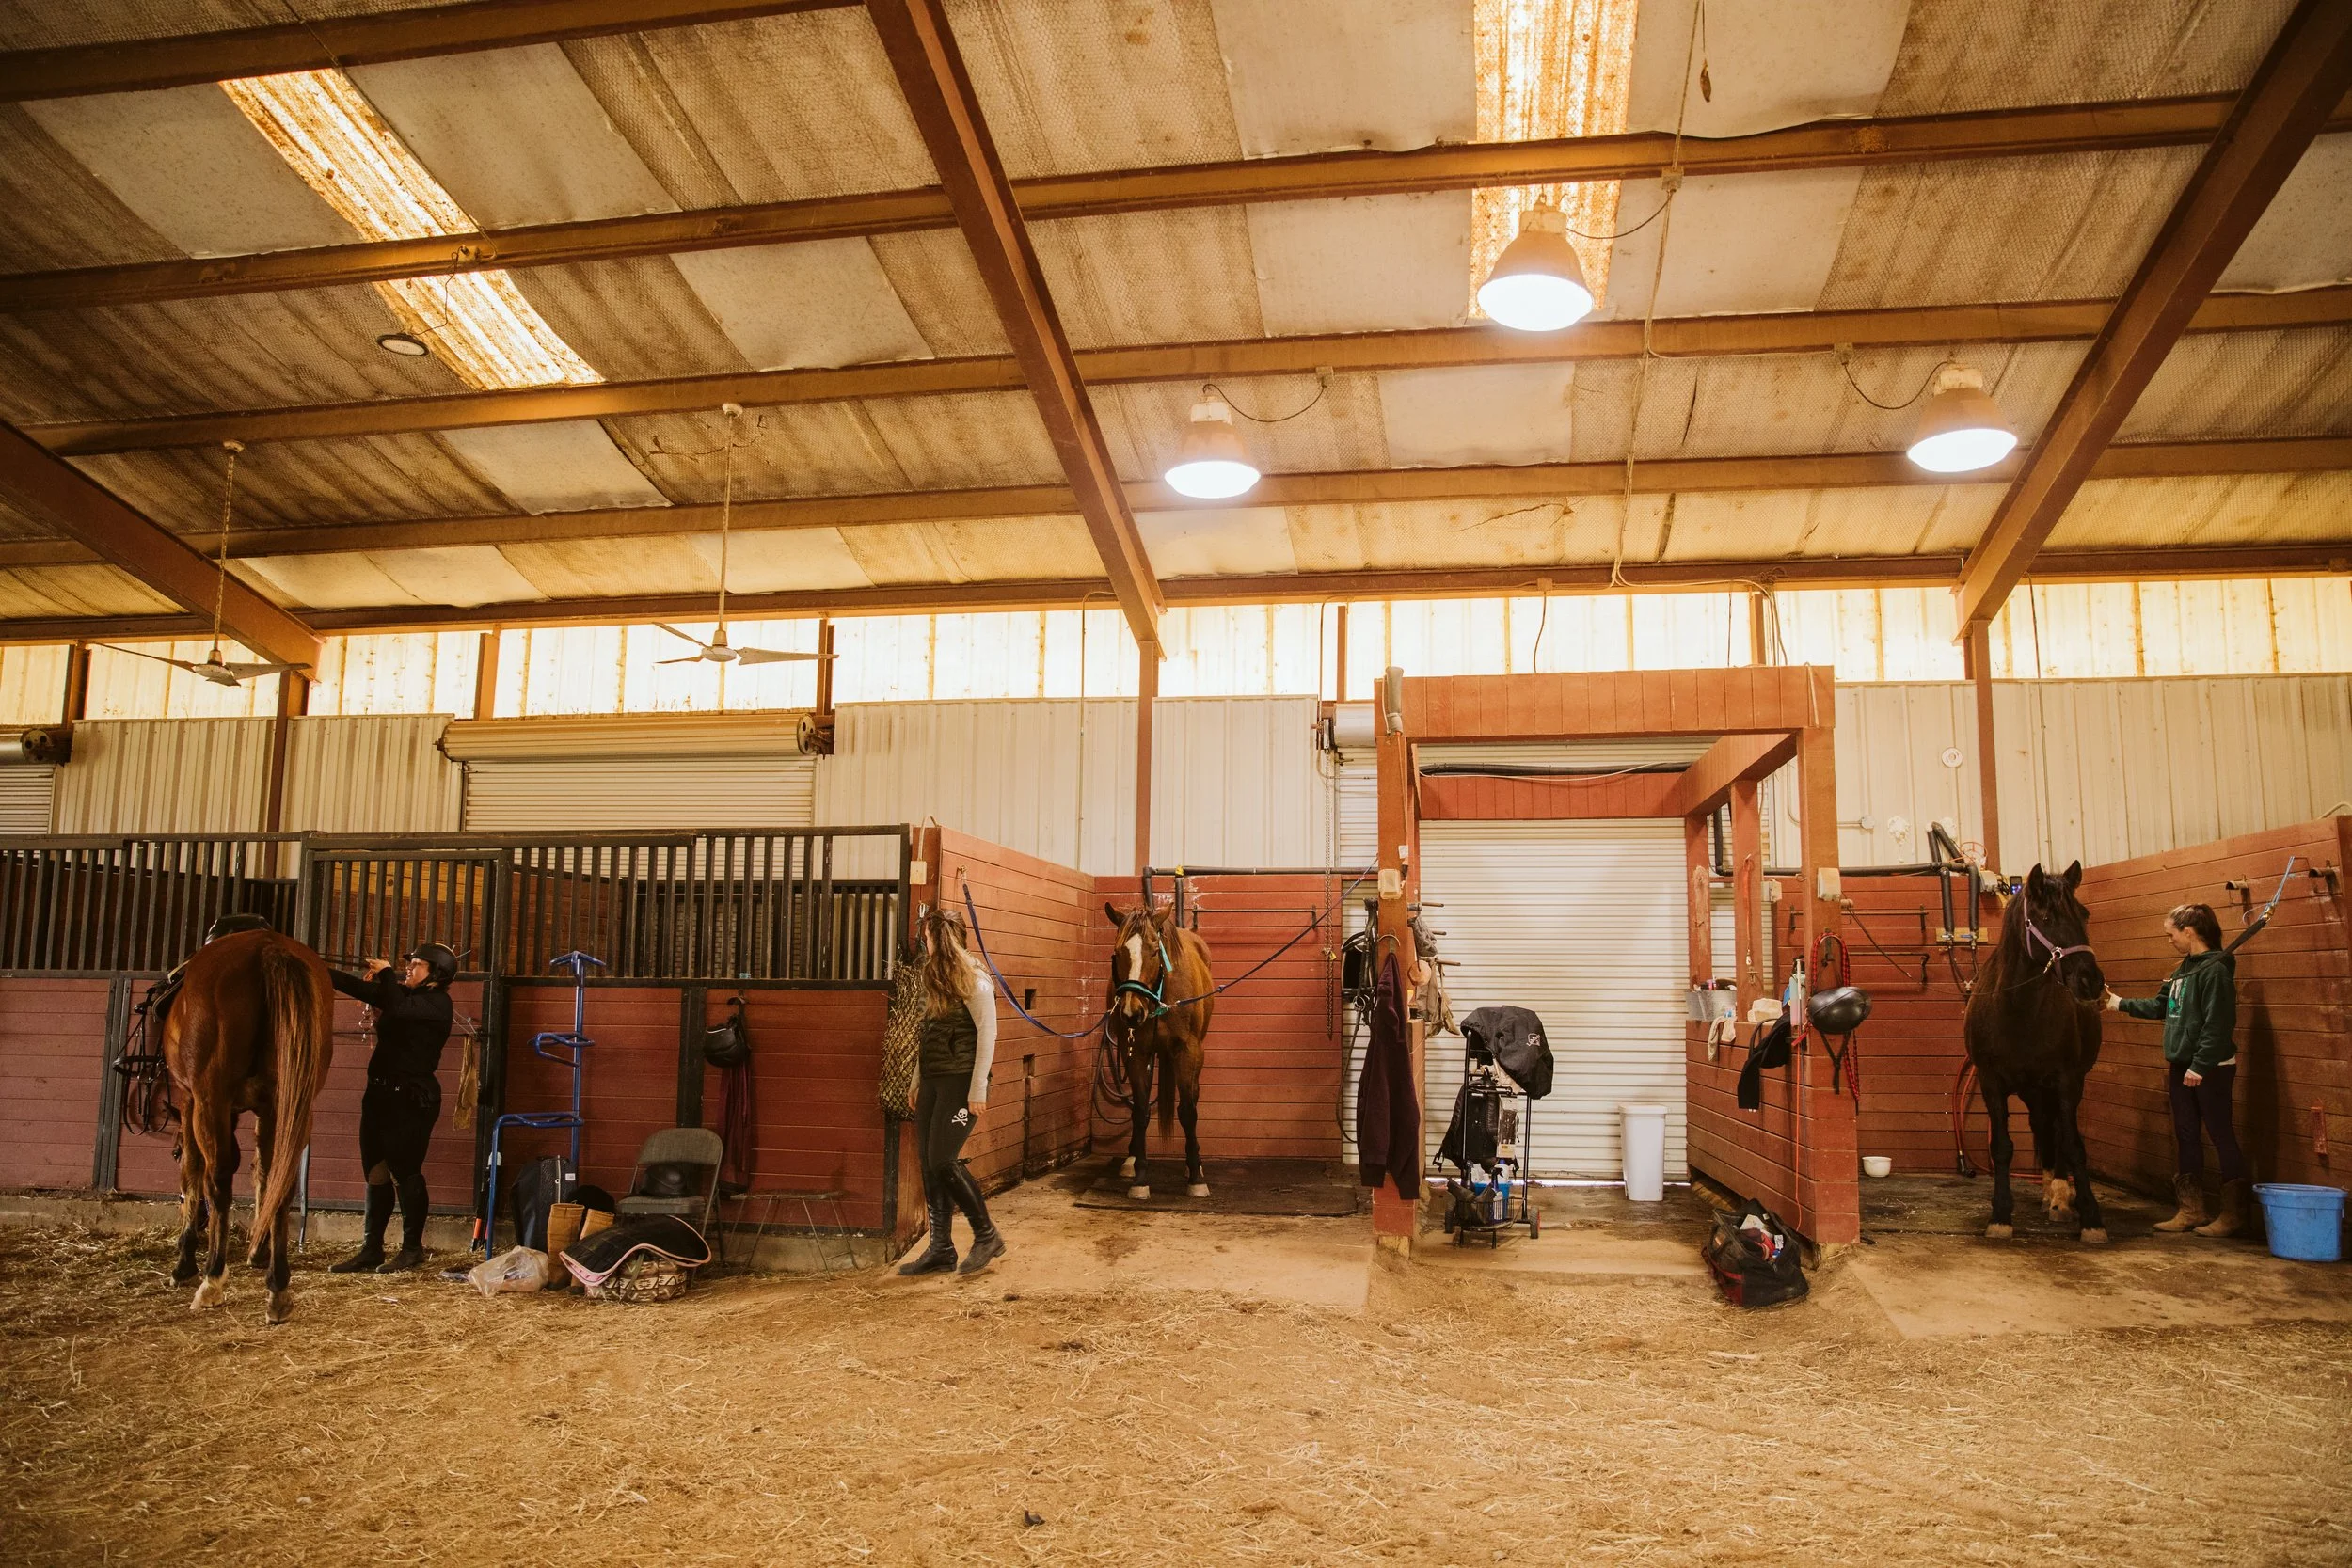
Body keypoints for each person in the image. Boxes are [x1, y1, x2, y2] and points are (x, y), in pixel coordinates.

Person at [2104, 903, 2245, 1238]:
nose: (2170, 941)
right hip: (2182, 1065)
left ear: (2189, 931)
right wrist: (2117, 1003)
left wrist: (2200, 1065)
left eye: (2171, 935)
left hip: (2210, 1068)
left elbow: (2218, 1024)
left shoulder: (2215, 971)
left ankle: (2235, 1214)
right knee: (2186, 1135)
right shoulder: (2183, 970)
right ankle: (2191, 1210)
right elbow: (2161, 1006)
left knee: (2221, 1135)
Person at [328, 943, 459, 1274]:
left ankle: (412, 1249)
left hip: (410, 1098)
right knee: (375, 1171)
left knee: (405, 1171)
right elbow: (358, 988)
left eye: (417, 965)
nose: (409, 969)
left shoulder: (438, 1003)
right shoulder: (401, 994)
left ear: (436, 974)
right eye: (409, 964)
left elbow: (398, 1008)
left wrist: (386, 972)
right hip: (379, 1094)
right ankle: (371, 1248)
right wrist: (316, 969)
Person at [897, 908, 1008, 1276]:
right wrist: (918, 1079)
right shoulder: (935, 976)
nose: (924, 942)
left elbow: (988, 1034)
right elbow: (928, 1031)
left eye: (926, 936)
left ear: (937, 938)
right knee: (929, 1164)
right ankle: (941, 1248)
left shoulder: (975, 979)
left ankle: (986, 1235)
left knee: (943, 1160)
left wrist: (978, 1089)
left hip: (961, 1081)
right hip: (934, 1079)